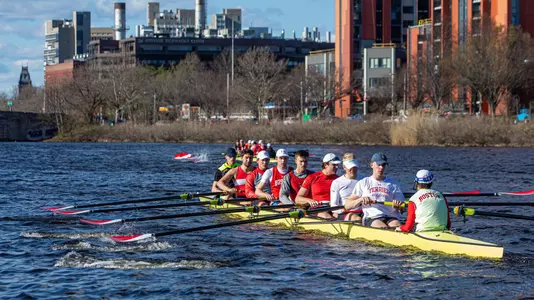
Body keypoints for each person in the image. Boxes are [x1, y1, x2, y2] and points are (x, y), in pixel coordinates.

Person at [344, 152, 404, 228]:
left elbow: (402, 209)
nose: (381, 167)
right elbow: (347, 205)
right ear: (371, 165)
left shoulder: (394, 183)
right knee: (382, 227)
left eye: (383, 165)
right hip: (372, 217)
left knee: (397, 225)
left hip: (391, 217)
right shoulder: (363, 182)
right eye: (379, 165)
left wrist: (399, 206)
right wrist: (360, 200)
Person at [295, 153, 341, 219]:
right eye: (334, 165)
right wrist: (309, 201)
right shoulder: (312, 178)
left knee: (340, 216)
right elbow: (298, 199)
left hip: (334, 208)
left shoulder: (339, 179)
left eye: (337, 165)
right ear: (325, 165)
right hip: (318, 208)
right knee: (326, 216)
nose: (337, 167)